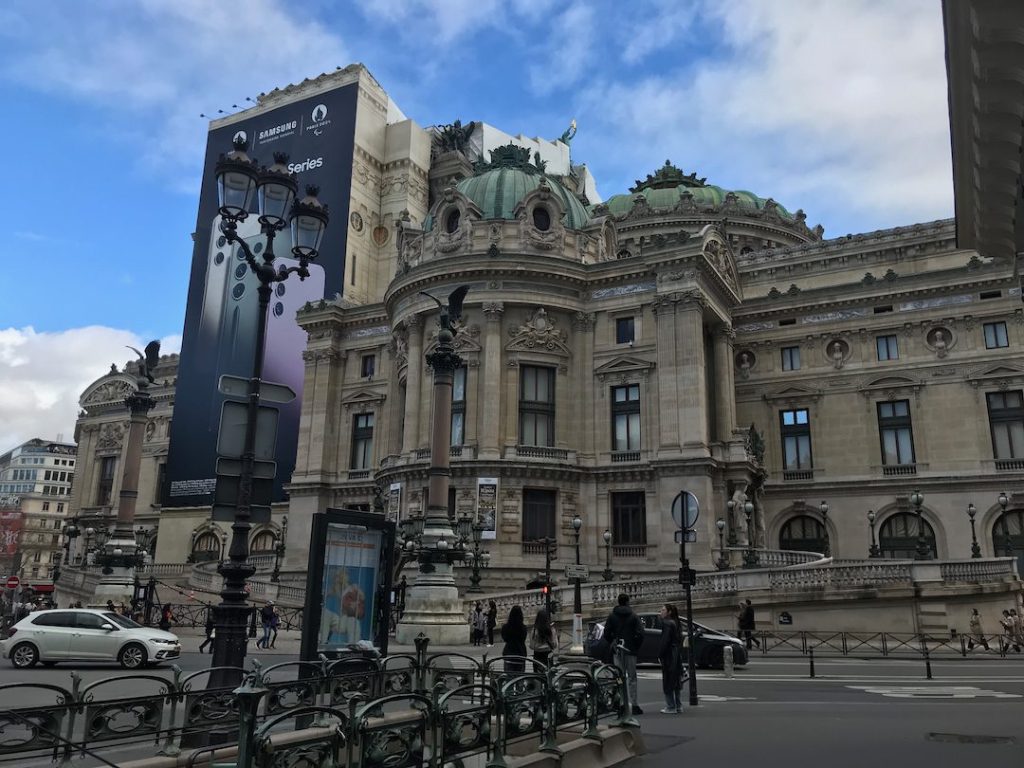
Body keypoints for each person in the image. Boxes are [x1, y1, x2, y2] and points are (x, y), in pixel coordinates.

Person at [602, 593, 645, 714]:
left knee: (619, 677)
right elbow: (641, 633)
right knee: (632, 677)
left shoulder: (612, 616)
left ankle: (620, 703)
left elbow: (606, 633)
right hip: (630, 650)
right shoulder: (633, 616)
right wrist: (635, 645)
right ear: (627, 602)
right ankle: (634, 704)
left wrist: (613, 641)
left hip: (618, 650)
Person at [658, 604, 682, 714]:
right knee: (676, 680)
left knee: (668, 680)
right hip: (676, 654)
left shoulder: (667, 623)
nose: (661, 612)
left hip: (669, 655)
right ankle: (678, 705)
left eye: (663, 610)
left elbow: (664, 641)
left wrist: (660, 654)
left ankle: (670, 706)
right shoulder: (676, 622)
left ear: (669, 612)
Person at [501, 605, 528, 673]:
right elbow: (523, 639)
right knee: (519, 678)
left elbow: (505, 638)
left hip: (509, 653)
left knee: (509, 677)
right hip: (520, 653)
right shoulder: (523, 628)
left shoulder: (506, 627)